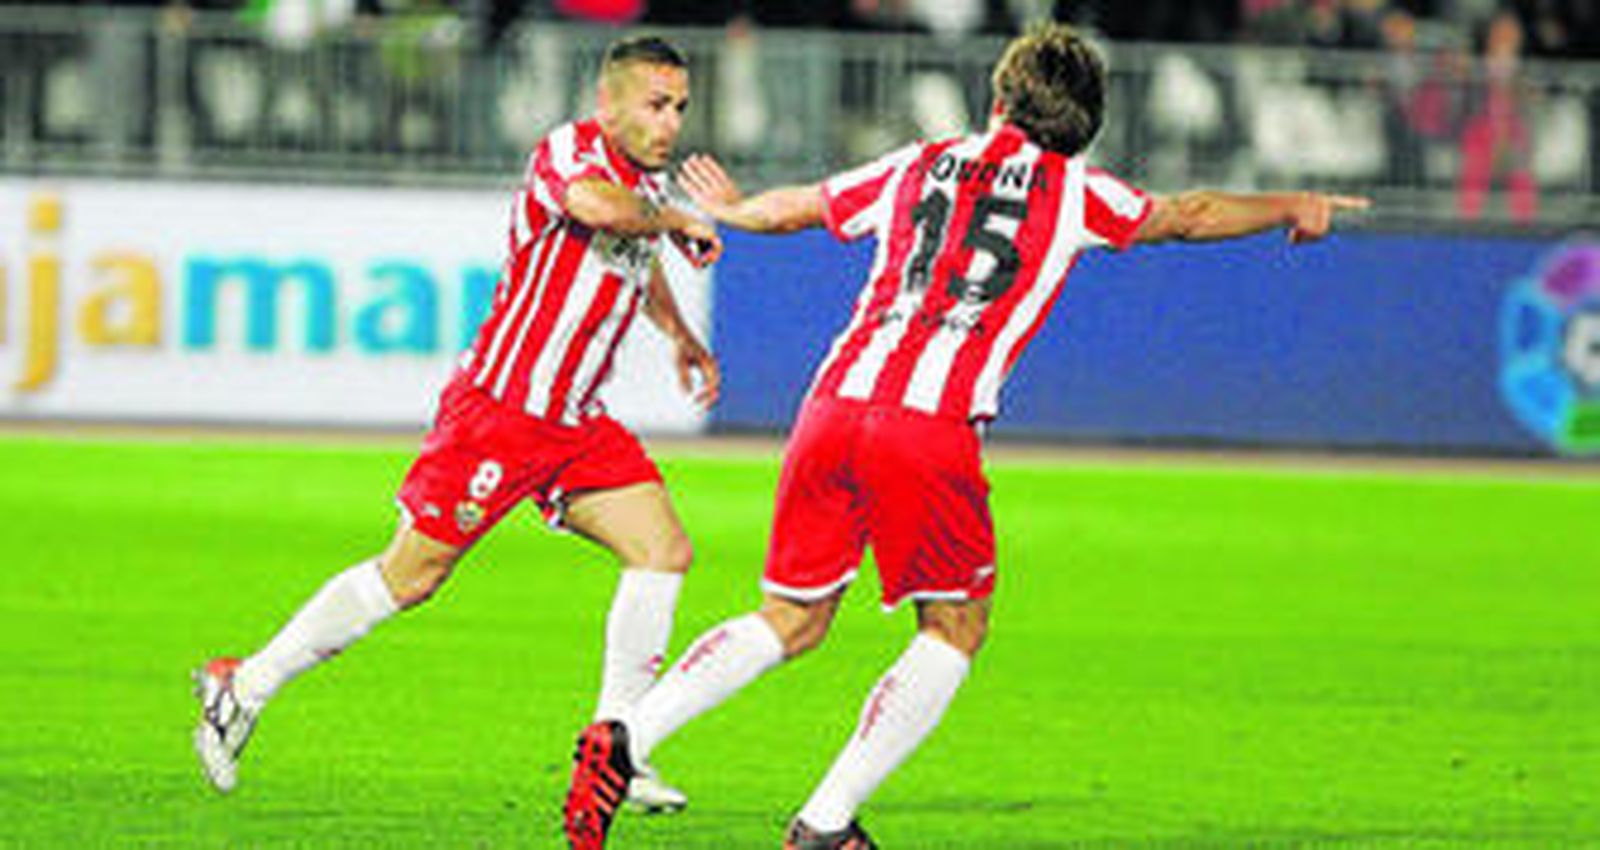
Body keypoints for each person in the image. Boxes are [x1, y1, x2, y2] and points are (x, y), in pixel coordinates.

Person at [562, 22, 1368, 850]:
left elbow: (801, 206)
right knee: (954, 627)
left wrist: (730, 210)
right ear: (1082, 123)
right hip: (928, 425)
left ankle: (624, 740)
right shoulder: (1075, 190)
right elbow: (1188, 215)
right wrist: (1290, 205)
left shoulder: (918, 162)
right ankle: (825, 825)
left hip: (833, 405)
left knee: (791, 618)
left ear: (997, 99)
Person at [192, 35, 723, 814]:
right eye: (654, 104)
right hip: (502, 416)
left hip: (576, 422)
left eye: (679, 106)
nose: (670, 121)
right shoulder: (569, 152)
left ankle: (621, 746)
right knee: (412, 575)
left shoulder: (649, 189)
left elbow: (635, 259)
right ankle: (243, 686)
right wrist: (676, 215)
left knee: (662, 552)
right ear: (608, 102)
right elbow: (595, 207)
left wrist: (678, 333)